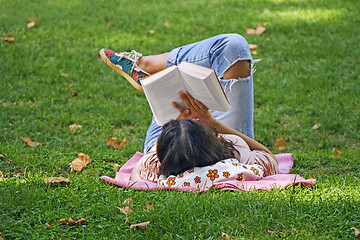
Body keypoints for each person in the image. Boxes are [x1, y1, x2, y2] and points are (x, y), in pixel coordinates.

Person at [99, 33, 278, 180]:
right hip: (193, 138)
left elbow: (136, 175)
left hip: (170, 144)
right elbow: (270, 158)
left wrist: (171, 132)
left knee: (178, 87)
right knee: (234, 47)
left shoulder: (152, 164)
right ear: (218, 141)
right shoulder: (237, 154)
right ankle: (148, 68)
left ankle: (146, 70)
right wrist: (211, 122)